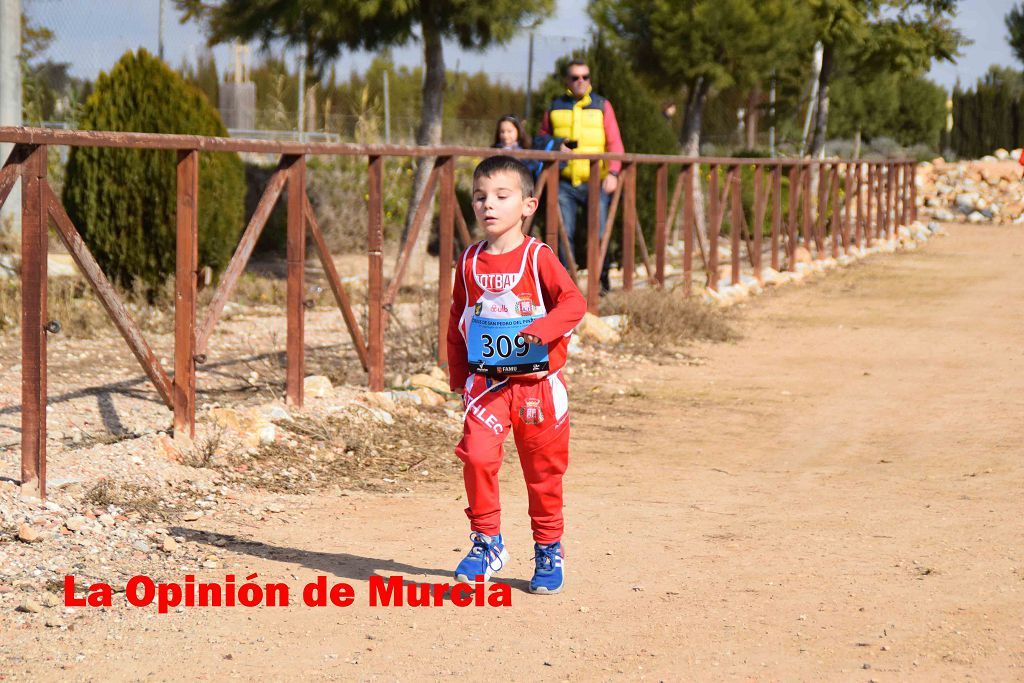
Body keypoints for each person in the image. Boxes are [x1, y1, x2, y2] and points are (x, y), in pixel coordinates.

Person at [447, 155, 587, 594]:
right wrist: (457, 377)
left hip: (537, 390)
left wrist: (537, 334)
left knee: (542, 472)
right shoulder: (468, 262)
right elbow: (457, 318)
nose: (488, 205)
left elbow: (573, 303)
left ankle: (548, 548)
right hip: (487, 386)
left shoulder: (537, 257)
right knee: (476, 456)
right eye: (479, 197)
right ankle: (487, 542)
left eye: (501, 197)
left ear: (528, 205)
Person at [538, 58, 625, 293]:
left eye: (585, 77)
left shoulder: (602, 105)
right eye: (575, 77)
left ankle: (601, 284)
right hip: (564, 181)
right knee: (563, 233)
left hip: (596, 181)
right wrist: (557, 145)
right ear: (567, 80)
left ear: (590, 79)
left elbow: (615, 143)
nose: (580, 81)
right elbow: (541, 138)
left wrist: (614, 173)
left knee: (598, 233)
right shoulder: (555, 106)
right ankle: (566, 286)